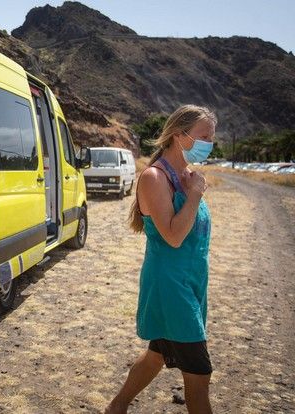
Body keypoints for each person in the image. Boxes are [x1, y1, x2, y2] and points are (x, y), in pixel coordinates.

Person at [105, 105, 217, 414]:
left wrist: (193, 189)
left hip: (192, 284)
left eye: (213, 136)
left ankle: (116, 408)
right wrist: (194, 195)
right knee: (199, 372)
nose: (211, 143)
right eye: (205, 136)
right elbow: (173, 236)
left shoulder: (187, 175)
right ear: (179, 136)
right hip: (170, 287)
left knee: (156, 354)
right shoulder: (155, 177)